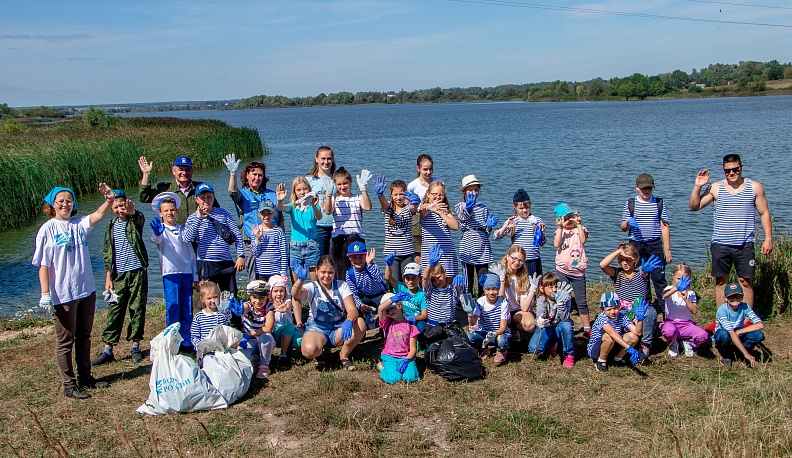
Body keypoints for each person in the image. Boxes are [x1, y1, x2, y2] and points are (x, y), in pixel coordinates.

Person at [33, 184, 116, 399]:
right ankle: (69, 385)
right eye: (60, 200)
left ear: (74, 204)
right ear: (52, 204)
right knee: (65, 340)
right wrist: (45, 293)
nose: (65, 204)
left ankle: (86, 377)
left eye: (69, 200)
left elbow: (98, 215)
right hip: (63, 294)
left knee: (84, 336)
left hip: (85, 290)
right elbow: (43, 265)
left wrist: (109, 199)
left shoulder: (78, 225)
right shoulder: (47, 229)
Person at [689, 153, 773, 307]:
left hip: (744, 244)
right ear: (723, 171)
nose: (732, 173)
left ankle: (747, 320)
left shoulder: (755, 187)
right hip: (721, 244)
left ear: (741, 167)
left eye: (735, 169)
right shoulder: (716, 188)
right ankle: (722, 319)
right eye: (728, 171)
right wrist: (697, 186)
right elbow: (694, 207)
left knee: (745, 282)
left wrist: (768, 239)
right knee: (721, 282)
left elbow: (764, 213)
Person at [92, 190, 148, 366]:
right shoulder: (110, 225)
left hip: (137, 272)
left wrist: (132, 212)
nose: (119, 209)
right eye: (115, 207)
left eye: (121, 205)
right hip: (118, 275)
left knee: (137, 308)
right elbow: (108, 253)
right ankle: (108, 349)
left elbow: (140, 219)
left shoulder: (134, 220)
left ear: (127, 204)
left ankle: (135, 346)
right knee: (115, 310)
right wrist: (108, 277)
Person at [291, 256, 365, 371]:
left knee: (360, 323)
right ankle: (319, 351)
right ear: (316, 271)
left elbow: (352, 310)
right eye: (323, 272)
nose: (326, 276)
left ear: (335, 271)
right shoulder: (312, 287)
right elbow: (296, 295)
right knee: (309, 351)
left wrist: (349, 321)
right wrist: (300, 280)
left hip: (338, 328)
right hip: (317, 327)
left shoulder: (342, 285)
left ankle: (343, 355)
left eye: (330, 272)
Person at [149, 192, 198, 354]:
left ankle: (186, 339)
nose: (169, 213)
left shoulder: (183, 230)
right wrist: (157, 232)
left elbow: (191, 254)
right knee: (173, 307)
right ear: (160, 213)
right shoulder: (161, 231)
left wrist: (194, 275)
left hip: (186, 273)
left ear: (177, 211)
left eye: (172, 210)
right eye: (166, 211)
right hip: (170, 273)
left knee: (186, 307)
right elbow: (155, 240)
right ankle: (171, 340)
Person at [224, 154, 284, 281]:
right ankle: (255, 299)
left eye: (260, 175)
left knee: (275, 276)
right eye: (254, 174)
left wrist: (282, 241)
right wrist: (232, 174)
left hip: (271, 240)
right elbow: (232, 192)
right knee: (254, 276)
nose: (257, 178)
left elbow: (280, 218)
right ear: (247, 175)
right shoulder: (243, 194)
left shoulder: (272, 195)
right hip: (250, 241)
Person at [599, 243, 662, 360]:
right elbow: (602, 265)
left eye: (628, 260)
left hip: (639, 307)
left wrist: (645, 269)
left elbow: (644, 271)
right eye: (622, 260)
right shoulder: (617, 273)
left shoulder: (640, 273)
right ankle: (620, 341)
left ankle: (645, 344)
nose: (625, 263)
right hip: (623, 308)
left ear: (635, 260)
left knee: (650, 312)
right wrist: (619, 251)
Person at [181, 183, 245, 297]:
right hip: (206, 263)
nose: (206, 200)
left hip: (225, 262)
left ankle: (232, 315)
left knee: (230, 298)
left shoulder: (223, 213)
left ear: (214, 197)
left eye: (209, 197)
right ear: (196, 199)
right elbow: (186, 239)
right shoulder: (192, 218)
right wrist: (198, 218)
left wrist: (240, 256)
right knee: (209, 298)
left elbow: (237, 235)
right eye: (202, 198)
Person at [621, 173, 671, 310]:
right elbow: (623, 228)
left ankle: (665, 308)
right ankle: (645, 305)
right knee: (640, 277)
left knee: (658, 277)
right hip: (636, 245)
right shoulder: (631, 204)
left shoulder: (658, 203)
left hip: (654, 244)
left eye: (649, 188)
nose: (647, 191)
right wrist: (628, 222)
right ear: (637, 187)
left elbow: (665, 227)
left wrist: (667, 249)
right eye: (644, 188)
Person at [138, 155, 217, 226]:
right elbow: (144, 197)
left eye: (187, 170)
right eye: (180, 169)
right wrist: (146, 174)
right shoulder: (165, 189)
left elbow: (215, 209)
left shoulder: (201, 188)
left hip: (199, 236)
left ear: (192, 171)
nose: (184, 173)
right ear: (173, 171)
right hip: (174, 237)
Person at [324, 166, 373, 278]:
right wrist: (328, 194)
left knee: (358, 270)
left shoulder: (358, 197)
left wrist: (363, 188)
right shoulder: (334, 199)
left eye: (345, 183)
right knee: (339, 271)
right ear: (335, 185)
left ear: (350, 181)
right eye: (339, 184)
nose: (342, 187)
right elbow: (328, 211)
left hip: (355, 238)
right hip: (339, 239)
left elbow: (368, 207)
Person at [455, 175, 497, 297]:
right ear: (464, 191)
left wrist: (489, 227)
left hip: (483, 245)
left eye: (476, 190)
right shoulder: (460, 206)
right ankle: (467, 305)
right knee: (468, 281)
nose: (473, 193)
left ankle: (482, 303)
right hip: (468, 244)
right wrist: (469, 208)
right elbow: (463, 218)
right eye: (470, 190)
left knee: (482, 278)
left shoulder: (483, 207)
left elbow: (487, 232)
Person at [553, 203, 591, 334]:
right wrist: (560, 228)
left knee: (581, 301)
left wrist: (579, 224)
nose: (569, 220)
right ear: (559, 220)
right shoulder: (560, 232)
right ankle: (564, 324)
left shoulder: (579, 229)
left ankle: (587, 328)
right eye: (565, 218)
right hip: (562, 270)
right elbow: (556, 244)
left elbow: (583, 240)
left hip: (578, 272)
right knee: (563, 298)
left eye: (571, 217)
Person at [588, 292, 649, 372]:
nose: (613, 312)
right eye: (609, 309)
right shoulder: (601, 318)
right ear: (602, 309)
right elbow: (612, 333)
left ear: (619, 307)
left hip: (612, 345)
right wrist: (628, 347)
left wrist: (640, 319)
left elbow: (638, 332)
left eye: (615, 308)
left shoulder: (622, 317)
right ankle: (601, 360)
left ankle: (617, 359)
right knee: (608, 336)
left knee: (633, 337)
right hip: (596, 349)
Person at [277, 176, 323, 282]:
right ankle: (296, 299)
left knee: (315, 281)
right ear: (295, 192)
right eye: (298, 190)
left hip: (312, 245)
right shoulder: (293, 207)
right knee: (296, 282)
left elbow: (319, 217)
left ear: (309, 190)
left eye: (305, 189)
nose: (302, 192)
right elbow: (281, 208)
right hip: (295, 246)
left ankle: (315, 297)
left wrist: (314, 205)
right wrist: (279, 201)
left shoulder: (313, 206)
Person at [410, 181, 459, 279]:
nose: (437, 197)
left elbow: (455, 226)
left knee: (447, 281)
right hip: (430, 254)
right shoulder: (424, 207)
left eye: (441, 195)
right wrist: (431, 208)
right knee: (428, 280)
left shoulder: (445, 210)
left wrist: (441, 213)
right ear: (428, 194)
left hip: (447, 253)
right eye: (434, 194)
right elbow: (423, 212)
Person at [494, 188, 546, 276]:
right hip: (516, 261)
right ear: (515, 207)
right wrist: (506, 226)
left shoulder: (536, 220)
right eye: (521, 208)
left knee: (534, 285)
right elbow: (496, 236)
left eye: (527, 207)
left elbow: (542, 242)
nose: (525, 210)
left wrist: (541, 233)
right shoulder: (513, 221)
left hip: (533, 259)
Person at [660, 263, 708, 358]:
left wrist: (686, 299)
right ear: (673, 276)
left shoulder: (691, 293)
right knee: (668, 331)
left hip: (686, 324)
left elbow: (694, 311)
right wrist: (676, 288)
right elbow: (664, 295)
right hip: (671, 323)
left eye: (683, 279)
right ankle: (673, 343)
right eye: (678, 279)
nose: (680, 282)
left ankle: (689, 342)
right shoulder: (669, 289)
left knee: (703, 336)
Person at [528, 273, 575, 367]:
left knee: (567, 325)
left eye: (556, 287)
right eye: (550, 287)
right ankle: (552, 344)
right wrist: (540, 320)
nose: (554, 290)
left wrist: (561, 304)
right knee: (533, 348)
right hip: (548, 327)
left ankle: (568, 354)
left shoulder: (566, 297)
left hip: (560, 327)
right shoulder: (541, 299)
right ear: (542, 288)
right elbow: (540, 316)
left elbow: (565, 318)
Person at [713, 282, 765, 367]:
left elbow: (759, 325)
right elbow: (730, 332)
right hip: (725, 333)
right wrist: (746, 354)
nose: (735, 299)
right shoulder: (722, 310)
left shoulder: (745, 306)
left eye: (738, 296)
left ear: (742, 297)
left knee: (759, 335)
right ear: (725, 298)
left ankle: (739, 352)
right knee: (723, 335)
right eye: (731, 297)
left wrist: (740, 331)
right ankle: (726, 354)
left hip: (737, 331)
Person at [422, 245, 466, 343]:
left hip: (448, 325)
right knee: (437, 334)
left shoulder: (451, 289)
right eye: (434, 279)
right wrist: (430, 264)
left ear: (445, 273)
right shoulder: (430, 290)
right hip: (433, 326)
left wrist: (460, 283)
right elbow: (425, 279)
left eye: (439, 277)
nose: (437, 281)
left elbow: (458, 289)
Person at [492, 245, 537, 340]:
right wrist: (502, 281)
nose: (517, 262)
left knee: (531, 325)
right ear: (508, 256)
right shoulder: (499, 272)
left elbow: (524, 307)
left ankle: (514, 328)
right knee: (503, 319)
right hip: (502, 309)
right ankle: (505, 330)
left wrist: (532, 290)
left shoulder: (523, 278)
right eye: (514, 258)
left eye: (520, 260)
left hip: (517, 311)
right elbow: (500, 299)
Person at [375, 176, 414, 283]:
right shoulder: (388, 207)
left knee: (409, 282)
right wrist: (380, 195)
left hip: (407, 252)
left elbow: (414, 208)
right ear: (391, 196)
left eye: (402, 194)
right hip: (392, 253)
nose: (399, 197)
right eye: (395, 194)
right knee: (394, 282)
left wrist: (416, 202)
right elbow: (383, 202)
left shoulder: (408, 207)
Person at [190, 280, 244, 358]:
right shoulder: (199, 317)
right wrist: (200, 347)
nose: (213, 301)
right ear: (202, 299)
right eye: (209, 298)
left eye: (215, 297)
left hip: (222, 349)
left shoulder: (223, 312)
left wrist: (229, 309)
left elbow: (228, 318)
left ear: (219, 296)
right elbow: (194, 337)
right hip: (206, 351)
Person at [466, 274, 510, 365]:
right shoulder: (480, 302)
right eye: (488, 289)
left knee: (502, 341)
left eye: (494, 289)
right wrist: (470, 314)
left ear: (498, 289)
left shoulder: (503, 303)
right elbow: (473, 324)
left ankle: (502, 351)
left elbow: (503, 327)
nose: (491, 292)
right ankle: (484, 348)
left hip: (498, 333)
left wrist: (494, 334)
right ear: (484, 290)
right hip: (484, 333)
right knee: (469, 336)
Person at [377, 292, 420, 384]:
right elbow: (380, 309)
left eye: (392, 307)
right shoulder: (386, 323)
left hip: (405, 357)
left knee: (410, 378)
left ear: (399, 305)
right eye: (387, 310)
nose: (390, 311)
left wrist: (407, 360)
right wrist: (392, 299)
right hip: (390, 356)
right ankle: (384, 370)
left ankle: (400, 369)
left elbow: (413, 348)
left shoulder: (411, 325)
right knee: (394, 379)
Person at [345, 241, 388, 329]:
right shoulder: (350, 273)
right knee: (352, 307)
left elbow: (379, 279)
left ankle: (385, 325)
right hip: (365, 297)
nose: (357, 260)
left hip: (379, 295)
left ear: (366, 256)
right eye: (354, 258)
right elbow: (353, 293)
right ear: (349, 258)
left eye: (361, 257)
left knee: (389, 303)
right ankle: (361, 328)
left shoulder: (371, 265)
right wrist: (360, 305)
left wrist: (369, 264)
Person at [406, 154, 441, 264]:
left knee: (437, 248)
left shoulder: (438, 182)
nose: (428, 172)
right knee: (419, 253)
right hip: (417, 219)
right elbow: (408, 207)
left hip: (436, 218)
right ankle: (421, 277)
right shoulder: (412, 185)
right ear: (418, 168)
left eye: (430, 169)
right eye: (425, 169)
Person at [239, 280, 276, 379]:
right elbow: (244, 308)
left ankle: (264, 365)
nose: (258, 301)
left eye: (261, 298)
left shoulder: (269, 308)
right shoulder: (249, 305)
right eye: (254, 297)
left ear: (267, 296)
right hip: (248, 341)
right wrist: (239, 309)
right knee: (243, 357)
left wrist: (250, 333)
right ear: (250, 297)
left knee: (266, 337)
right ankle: (259, 360)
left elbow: (268, 328)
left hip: (263, 340)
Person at [306, 146, 338, 256]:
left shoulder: (337, 178)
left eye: (329, 158)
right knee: (321, 260)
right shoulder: (309, 180)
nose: (326, 162)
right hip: (318, 226)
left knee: (337, 260)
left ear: (333, 159)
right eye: (323, 158)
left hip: (337, 225)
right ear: (316, 159)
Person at [267, 275, 303, 369]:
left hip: (288, 332)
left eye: (281, 291)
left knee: (300, 341)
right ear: (270, 291)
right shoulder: (267, 303)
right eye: (275, 291)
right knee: (289, 326)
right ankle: (283, 355)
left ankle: (300, 354)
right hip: (275, 332)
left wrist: (286, 308)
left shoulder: (286, 300)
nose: (279, 294)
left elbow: (288, 305)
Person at [250, 200, 289, 281]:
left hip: (276, 272)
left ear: (274, 213)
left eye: (269, 213)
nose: (266, 217)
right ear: (259, 214)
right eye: (263, 214)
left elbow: (284, 253)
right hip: (260, 272)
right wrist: (258, 239)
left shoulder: (278, 231)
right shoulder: (256, 230)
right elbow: (255, 253)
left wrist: (283, 272)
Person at [384, 261, 428, 332]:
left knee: (421, 326)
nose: (410, 281)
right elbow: (388, 277)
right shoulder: (401, 287)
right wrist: (388, 265)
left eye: (414, 278)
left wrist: (413, 318)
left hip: (416, 320)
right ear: (403, 278)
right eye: (407, 278)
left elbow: (424, 315)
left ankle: (420, 341)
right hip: (401, 318)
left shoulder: (422, 294)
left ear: (420, 278)